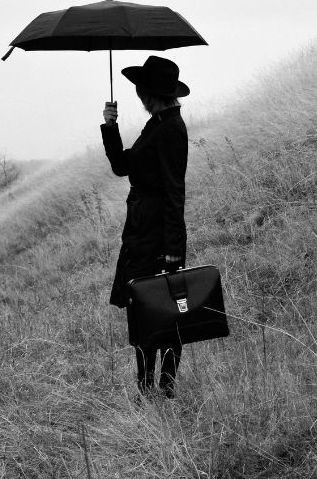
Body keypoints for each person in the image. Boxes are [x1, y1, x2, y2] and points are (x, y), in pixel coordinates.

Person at [101, 55, 189, 398]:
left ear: (151, 94)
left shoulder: (171, 128)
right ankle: (145, 386)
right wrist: (111, 126)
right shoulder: (157, 124)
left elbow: (174, 191)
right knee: (141, 308)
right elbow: (122, 166)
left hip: (157, 235)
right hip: (141, 229)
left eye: (141, 90)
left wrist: (172, 249)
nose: (138, 95)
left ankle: (164, 388)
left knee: (163, 311)